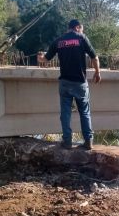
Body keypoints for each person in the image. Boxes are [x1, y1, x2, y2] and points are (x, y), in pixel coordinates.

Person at [37, 19, 101, 150]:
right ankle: (88, 141)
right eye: (81, 28)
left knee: (65, 113)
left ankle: (67, 142)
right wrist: (97, 72)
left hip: (65, 83)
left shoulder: (59, 41)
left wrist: (40, 57)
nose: (82, 31)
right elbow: (94, 57)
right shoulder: (82, 38)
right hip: (80, 83)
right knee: (84, 112)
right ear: (77, 27)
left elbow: (45, 59)